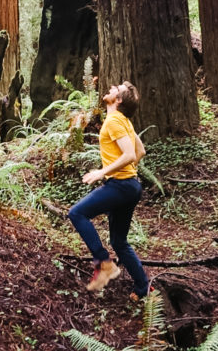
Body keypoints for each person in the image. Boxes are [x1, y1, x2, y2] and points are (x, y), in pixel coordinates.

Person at [67, 81, 150, 299]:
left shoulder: (114, 120)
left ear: (118, 100)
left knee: (77, 213)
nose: (112, 87)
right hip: (129, 186)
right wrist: (125, 171)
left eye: (117, 89)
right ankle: (143, 289)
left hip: (121, 186)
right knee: (119, 242)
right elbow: (140, 150)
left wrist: (103, 172)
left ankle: (104, 263)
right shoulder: (123, 120)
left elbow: (131, 155)